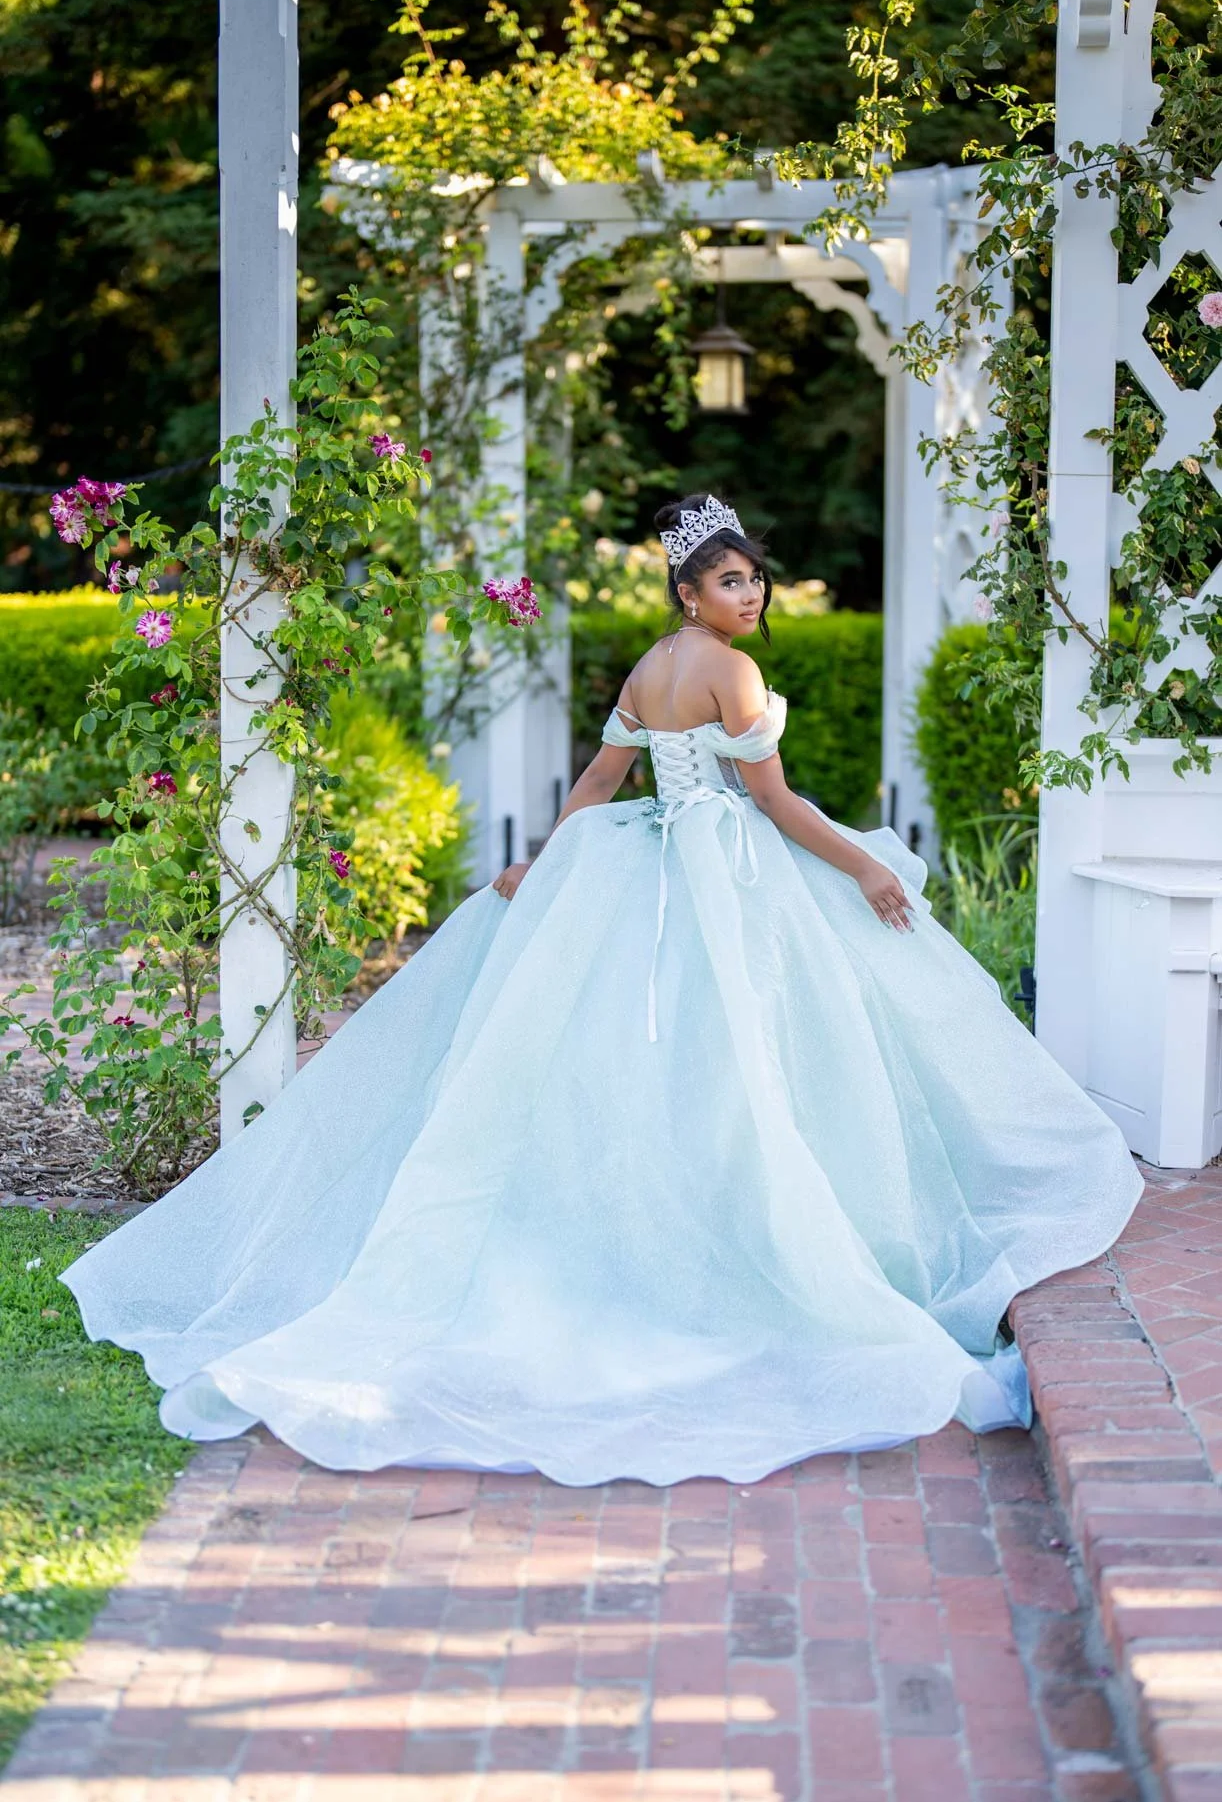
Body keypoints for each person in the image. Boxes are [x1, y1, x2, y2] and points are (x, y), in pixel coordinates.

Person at [60, 493, 1144, 1488]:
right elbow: (770, 802)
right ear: (688, 592)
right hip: (718, 869)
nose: (749, 594)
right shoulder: (732, 673)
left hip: (639, 865)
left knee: (637, 1050)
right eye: (729, 582)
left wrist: (547, 858)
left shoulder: (648, 669)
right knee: (752, 1048)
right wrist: (862, 863)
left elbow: (597, 783)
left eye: (753, 577)